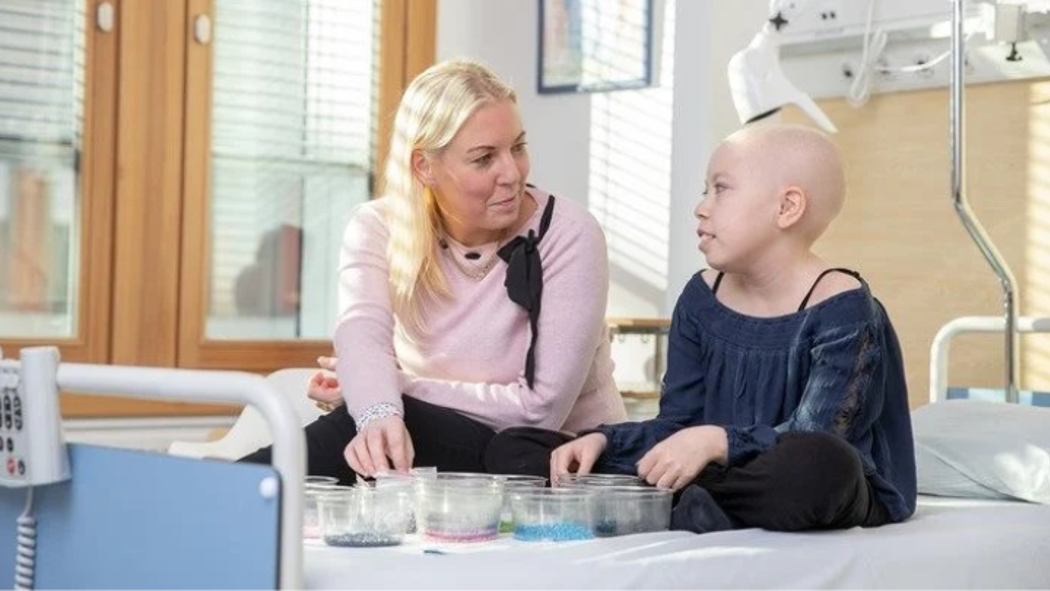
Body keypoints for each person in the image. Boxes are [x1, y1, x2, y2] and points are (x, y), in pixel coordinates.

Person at [487, 124, 917, 534]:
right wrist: (604, 441)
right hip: (713, 470)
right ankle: (691, 503)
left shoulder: (843, 305)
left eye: (721, 189)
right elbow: (677, 423)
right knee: (517, 449)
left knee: (818, 464)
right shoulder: (701, 297)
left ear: (787, 207)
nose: (701, 206)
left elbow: (823, 433)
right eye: (704, 190)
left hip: (808, 478)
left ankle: (667, 501)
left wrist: (716, 441)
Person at [240, 60, 627, 484]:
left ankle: (217, 491)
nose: (512, 173)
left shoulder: (570, 235)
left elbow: (540, 412)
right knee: (373, 426)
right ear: (424, 166)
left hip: (555, 463)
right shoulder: (377, 226)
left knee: (378, 420)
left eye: (518, 147)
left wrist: (388, 387)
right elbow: (361, 331)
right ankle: (219, 495)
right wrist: (377, 404)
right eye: (484, 158)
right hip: (450, 457)